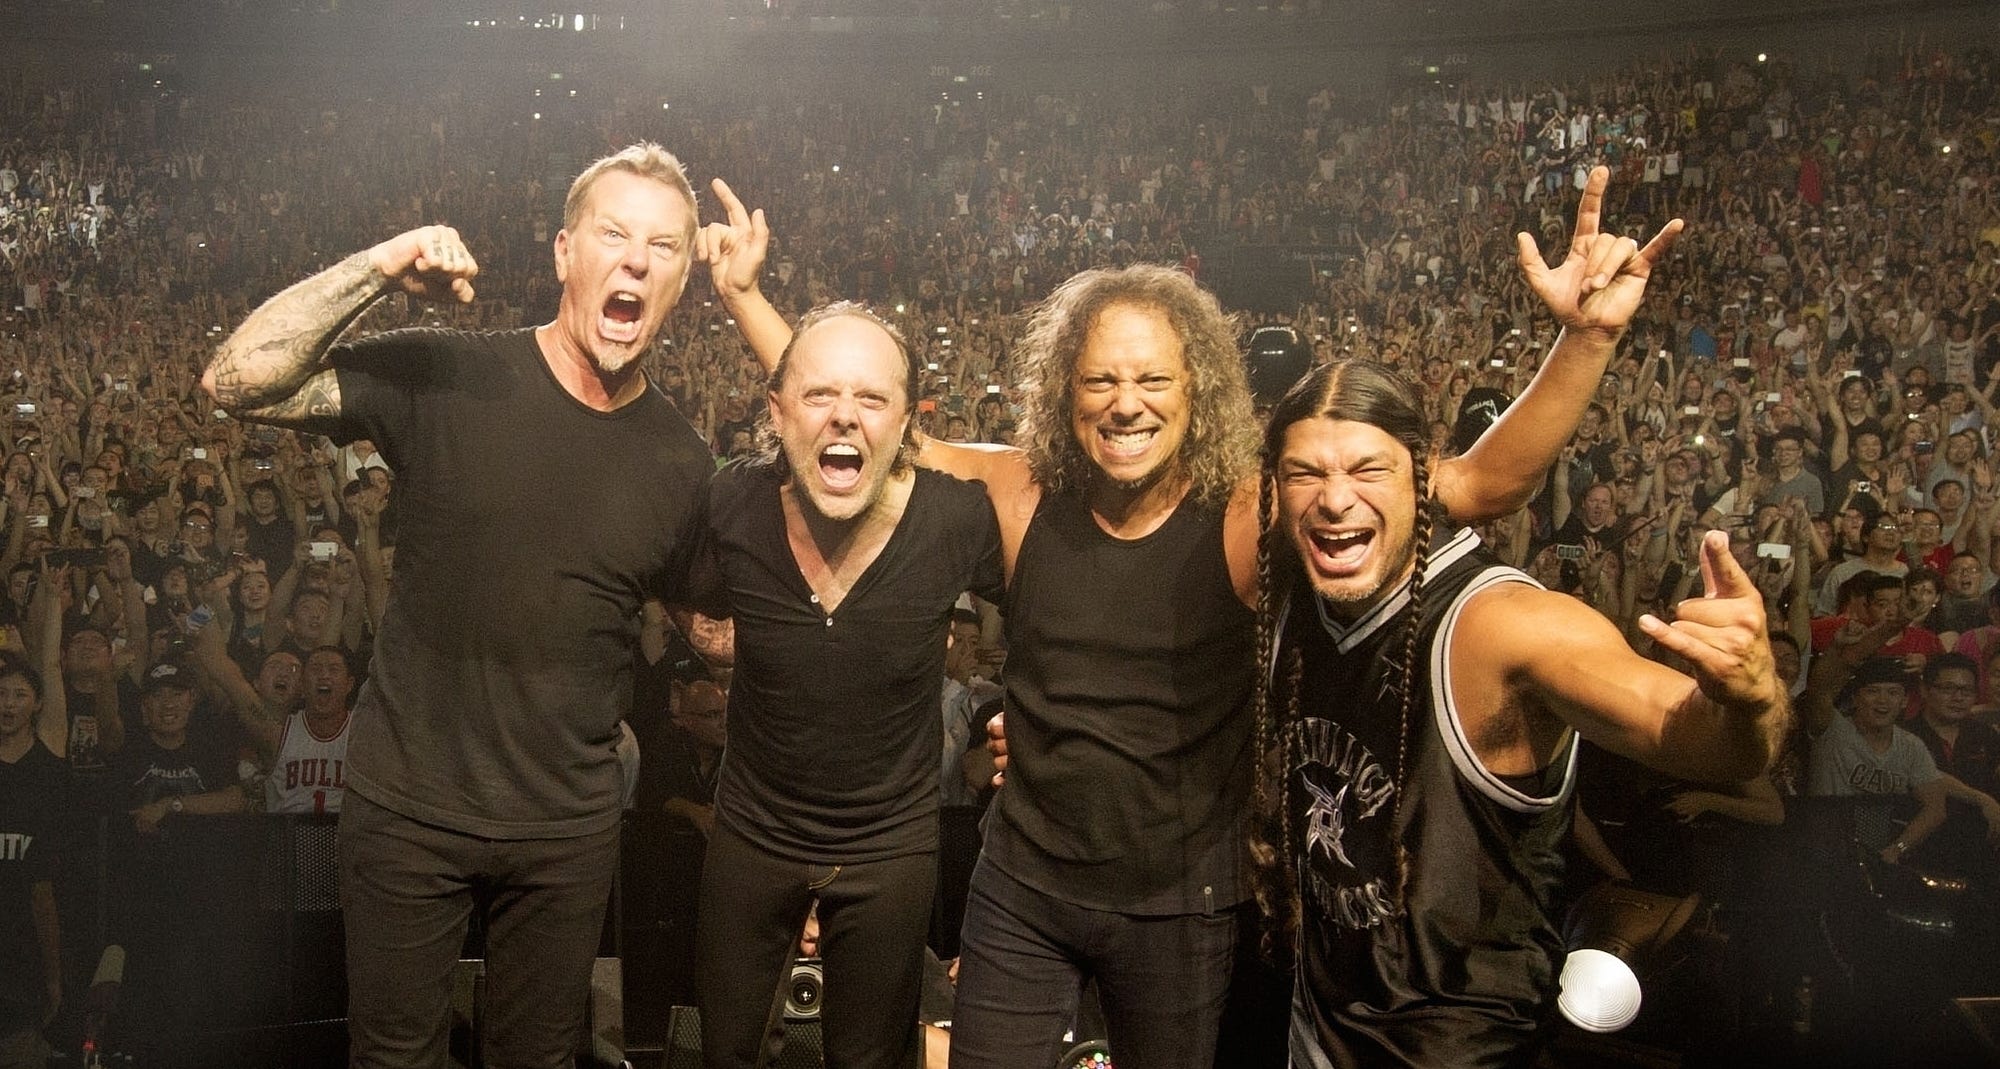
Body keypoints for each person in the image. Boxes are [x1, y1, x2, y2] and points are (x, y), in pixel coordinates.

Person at [705, 165, 1680, 1068]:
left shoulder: (1249, 511)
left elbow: (1474, 485)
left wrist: (1585, 340)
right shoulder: (1017, 493)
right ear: (1064, 390)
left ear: (1196, 390)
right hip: (1023, 894)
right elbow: (857, 418)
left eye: (1152, 380)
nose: (1124, 404)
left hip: (1185, 907)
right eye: (1100, 380)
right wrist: (748, 299)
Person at [200, 142, 717, 1069]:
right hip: (409, 808)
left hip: (565, 831)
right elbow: (237, 379)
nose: (637, 261)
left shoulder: (683, 460)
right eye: (614, 234)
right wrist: (380, 269)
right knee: (394, 1057)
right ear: (565, 252)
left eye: (664, 246)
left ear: (684, 279)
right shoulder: (451, 373)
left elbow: (717, 628)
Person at [1252, 359, 1787, 1067]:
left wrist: (1751, 698)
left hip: (1463, 1051)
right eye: (1305, 474)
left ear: (1425, 473)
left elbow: (1713, 747)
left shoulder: (1505, 623)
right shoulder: (1293, 590)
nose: (1335, 499)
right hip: (1316, 1033)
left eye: (1367, 469)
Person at [679, 303, 1003, 1069]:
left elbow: (1055, 599)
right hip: (753, 832)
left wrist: (1035, 714)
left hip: (890, 845)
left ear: (907, 422)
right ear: (777, 410)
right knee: (726, 1051)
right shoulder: (734, 503)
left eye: (872, 397)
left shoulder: (955, 518)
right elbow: (680, 589)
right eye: (820, 392)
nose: (845, 416)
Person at [0, 655, 65, 1069]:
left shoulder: (45, 770)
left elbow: (43, 893)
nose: (8, 703)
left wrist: (53, 976)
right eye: (1, 693)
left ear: (37, 703)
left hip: (21, 958)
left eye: (19, 694)